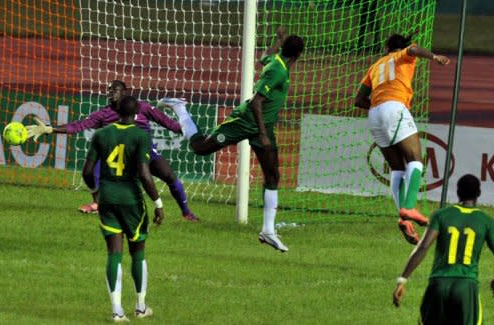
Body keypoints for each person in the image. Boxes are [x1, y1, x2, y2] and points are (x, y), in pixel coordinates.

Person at [160, 29, 304, 252]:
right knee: (200, 148)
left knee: (273, 175)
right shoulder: (278, 71)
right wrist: (263, 134)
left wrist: (277, 42)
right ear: (299, 55)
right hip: (246, 122)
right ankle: (180, 108)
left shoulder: (277, 62)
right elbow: (256, 102)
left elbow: (263, 57)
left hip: (262, 127)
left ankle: (267, 231)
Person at [26, 80, 199, 221]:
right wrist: (50, 129)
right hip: (119, 155)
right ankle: (98, 203)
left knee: (169, 175)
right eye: (109, 90)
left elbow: (168, 123)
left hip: (144, 150)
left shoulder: (141, 107)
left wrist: (186, 130)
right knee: (95, 165)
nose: (110, 93)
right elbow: (78, 125)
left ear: (124, 92)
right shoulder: (104, 114)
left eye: (114, 90)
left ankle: (186, 212)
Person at [354, 33, 450, 244]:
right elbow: (414, 50)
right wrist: (435, 57)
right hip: (394, 107)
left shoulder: (375, 66)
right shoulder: (402, 56)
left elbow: (358, 99)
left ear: (387, 46)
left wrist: (379, 107)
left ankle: (404, 218)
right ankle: (409, 207)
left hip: (374, 113)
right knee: (415, 160)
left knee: (397, 168)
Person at [82, 96, 164, 322]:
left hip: (107, 198)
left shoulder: (101, 134)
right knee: (137, 252)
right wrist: (158, 203)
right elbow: (145, 174)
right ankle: (140, 307)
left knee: (114, 254)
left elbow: (87, 171)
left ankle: (117, 311)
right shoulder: (140, 135)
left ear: (116, 110)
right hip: (131, 200)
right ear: (137, 112)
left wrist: (95, 193)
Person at [392, 174, 494, 324]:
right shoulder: (486, 221)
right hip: (466, 287)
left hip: (438, 285)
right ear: (478, 193)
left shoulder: (440, 215)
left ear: (458, 192)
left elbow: (423, 247)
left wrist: (402, 279)